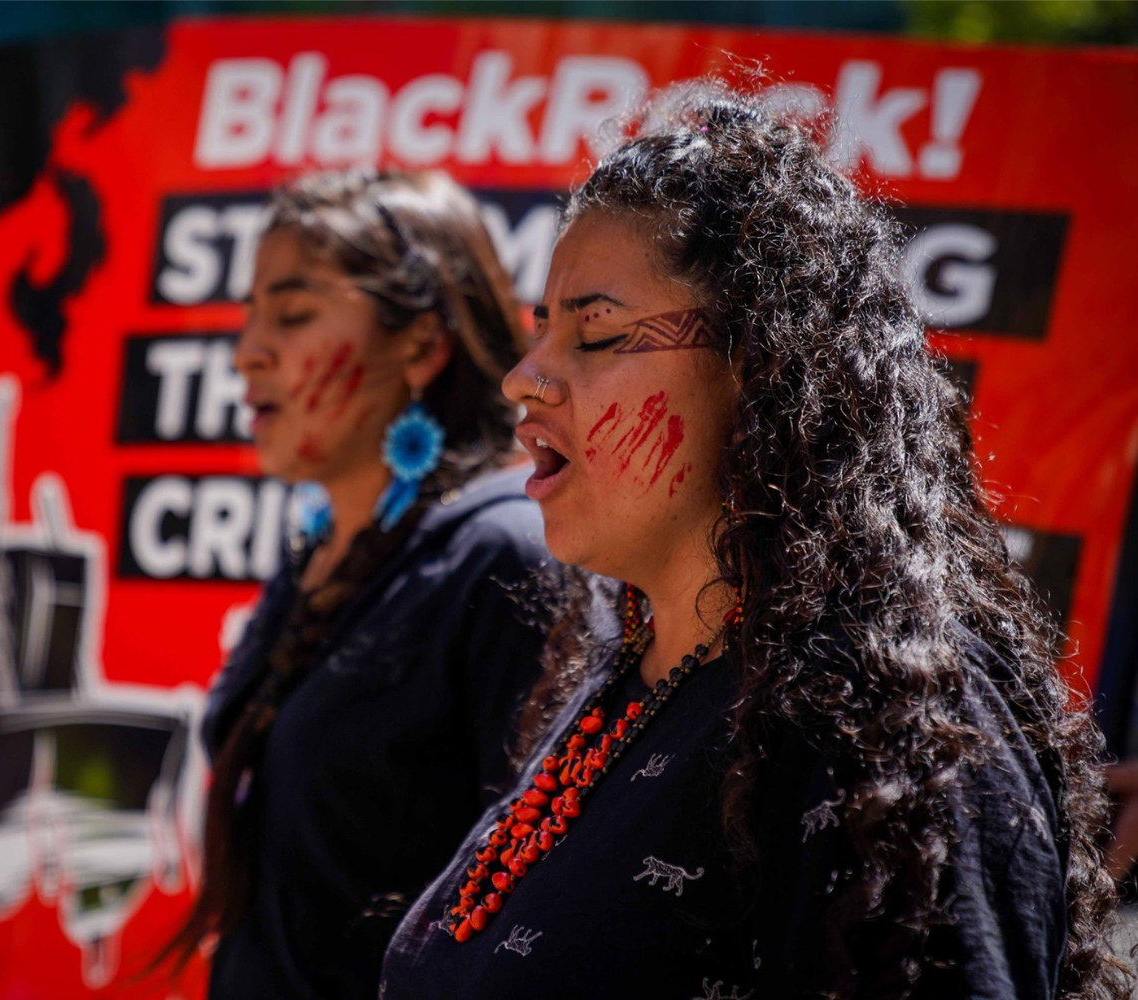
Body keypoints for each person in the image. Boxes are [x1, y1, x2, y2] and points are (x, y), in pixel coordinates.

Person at [380, 84, 1128, 999]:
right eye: (542, 332)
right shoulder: (635, 682)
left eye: (598, 332)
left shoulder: (880, 717)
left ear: (763, 369)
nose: (524, 380)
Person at [158, 169, 550, 999]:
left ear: (421, 344)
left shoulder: (506, 555)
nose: (248, 352)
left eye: (294, 315)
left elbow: (532, 914)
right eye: (251, 315)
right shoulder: (324, 548)